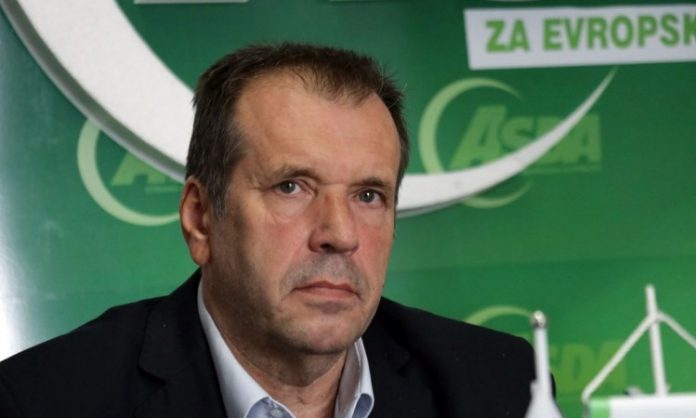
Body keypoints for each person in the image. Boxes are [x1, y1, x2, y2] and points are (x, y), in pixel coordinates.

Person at [0, 43, 536, 418]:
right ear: (201, 218)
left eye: (368, 196)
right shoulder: (46, 402)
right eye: (292, 187)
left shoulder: (500, 389)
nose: (339, 233)